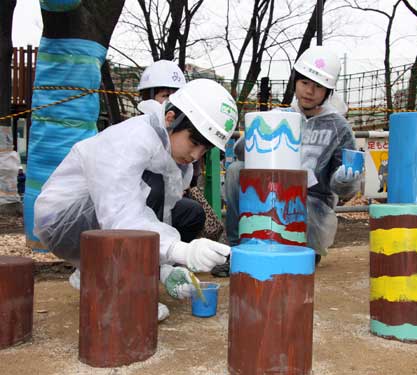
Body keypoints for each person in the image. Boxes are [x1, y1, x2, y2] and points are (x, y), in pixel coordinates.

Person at [34, 79, 239, 321]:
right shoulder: (131, 139)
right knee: (153, 184)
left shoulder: (171, 153)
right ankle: (119, 287)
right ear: (171, 118)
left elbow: (162, 216)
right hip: (65, 221)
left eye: (204, 150)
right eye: (194, 143)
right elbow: (121, 214)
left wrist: (165, 269)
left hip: (101, 218)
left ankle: (99, 271)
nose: (196, 155)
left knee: (190, 212)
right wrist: (179, 250)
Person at [223, 45, 361, 270]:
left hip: (310, 208)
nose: (309, 91)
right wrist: (255, 133)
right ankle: (237, 247)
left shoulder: (339, 127)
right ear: (295, 81)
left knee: (293, 258)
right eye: (305, 82)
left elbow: (344, 190)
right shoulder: (281, 116)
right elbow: (243, 155)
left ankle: (299, 247)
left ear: (328, 92)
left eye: (318, 87)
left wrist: (345, 179)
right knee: (236, 170)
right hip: (270, 194)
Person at [138, 60, 207, 244]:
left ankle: (172, 256)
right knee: (156, 186)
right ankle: (143, 252)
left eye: (176, 96)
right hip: (134, 206)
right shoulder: (137, 131)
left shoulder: (181, 131)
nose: (171, 102)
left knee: (193, 212)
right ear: (147, 98)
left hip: (166, 203)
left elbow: (189, 175)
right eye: (165, 95)